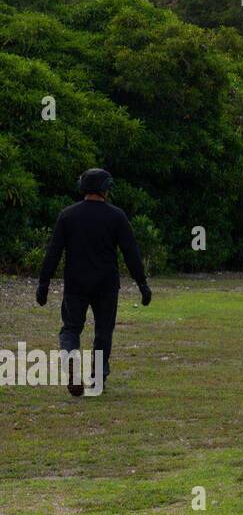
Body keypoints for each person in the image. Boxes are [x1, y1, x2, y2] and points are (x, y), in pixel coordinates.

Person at [36, 168, 151, 397]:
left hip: (75, 284)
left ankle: (71, 361)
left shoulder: (67, 215)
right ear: (105, 190)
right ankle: (98, 378)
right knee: (103, 332)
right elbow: (131, 253)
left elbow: (53, 252)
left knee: (70, 329)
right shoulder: (116, 216)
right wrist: (142, 284)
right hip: (106, 285)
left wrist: (44, 284)